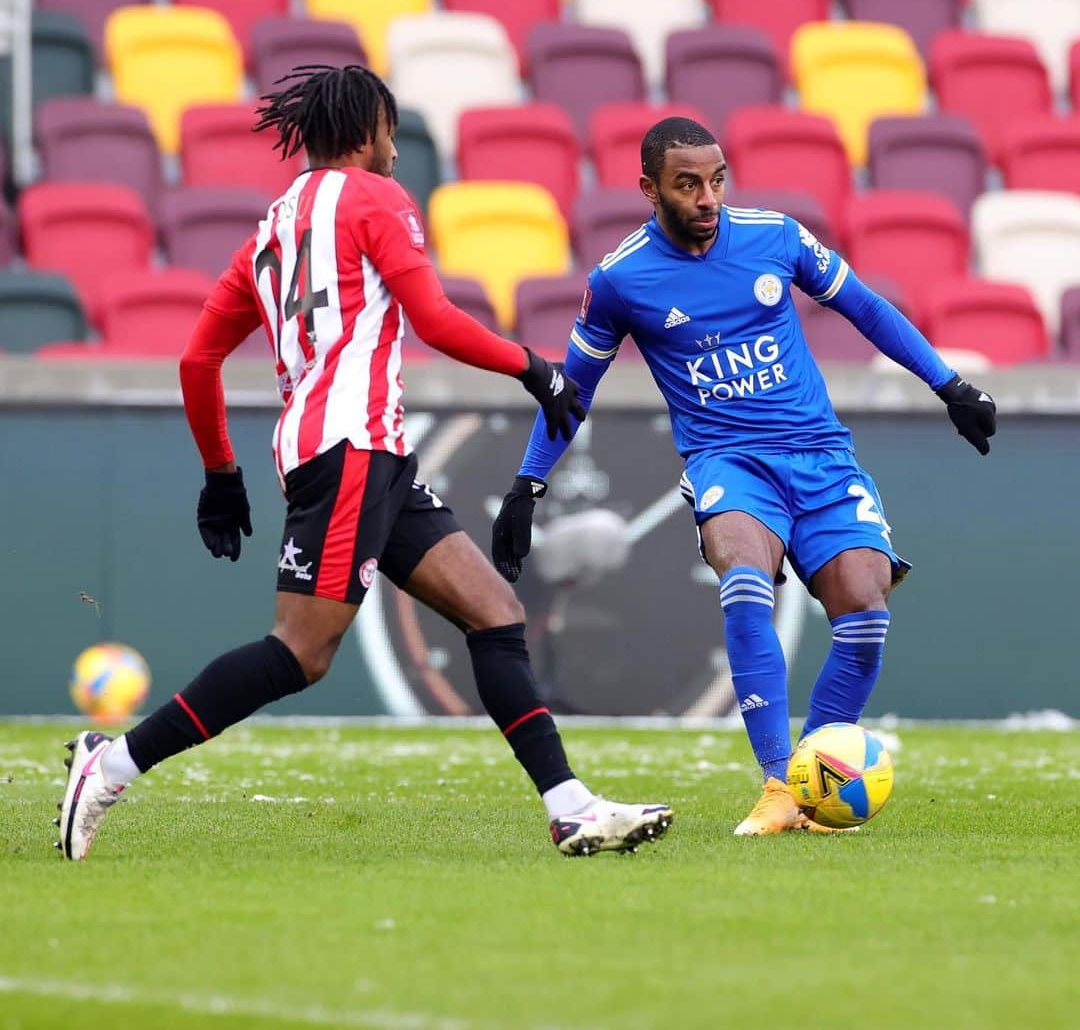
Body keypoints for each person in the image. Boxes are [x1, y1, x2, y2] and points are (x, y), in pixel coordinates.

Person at [57, 65, 673, 861]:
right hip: (350, 447)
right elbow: (436, 320)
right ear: (365, 130)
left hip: (360, 451)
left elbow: (197, 359)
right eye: (389, 130)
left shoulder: (273, 228)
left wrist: (222, 473)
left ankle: (569, 806)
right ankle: (112, 764)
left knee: (494, 611)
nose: (395, 148)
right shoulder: (376, 198)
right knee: (301, 652)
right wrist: (533, 367)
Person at [491, 116, 997, 835]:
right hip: (727, 462)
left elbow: (866, 309)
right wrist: (528, 484)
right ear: (648, 188)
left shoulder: (775, 236)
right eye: (688, 184)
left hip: (819, 454)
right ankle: (775, 784)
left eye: (717, 180)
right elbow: (572, 389)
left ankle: (811, 784)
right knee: (745, 581)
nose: (708, 198)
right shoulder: (620, 279)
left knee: (864, 614)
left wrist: (950, 385)